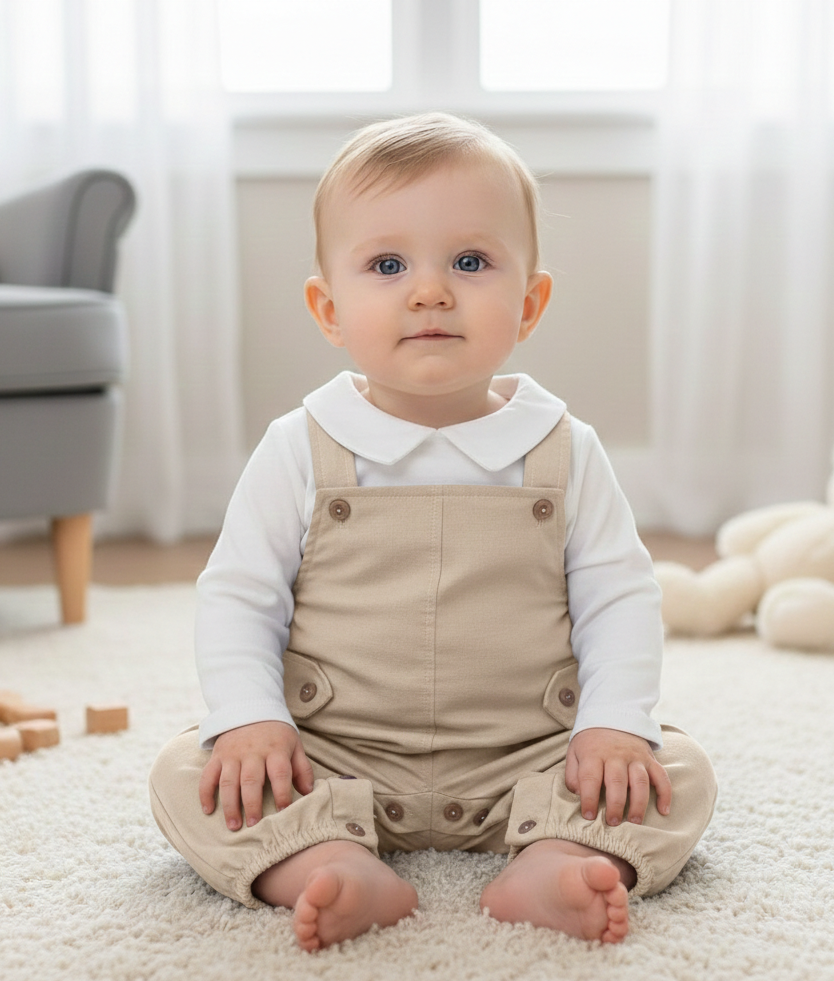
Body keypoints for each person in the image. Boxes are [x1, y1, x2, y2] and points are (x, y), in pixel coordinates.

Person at [149, 112, 717, 952]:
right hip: (337, 755)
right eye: (387, 264)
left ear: (529, 303)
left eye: (470, 261)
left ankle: (555, 856)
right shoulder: (299, 445)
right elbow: (240, 594)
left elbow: (619, 595)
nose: (430, 290)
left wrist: (612, 722)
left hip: (526, 754)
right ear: (328, 308)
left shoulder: (563, 448)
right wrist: (248, 717)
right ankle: (325, 859)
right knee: (189, 772)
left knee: (676, 770)